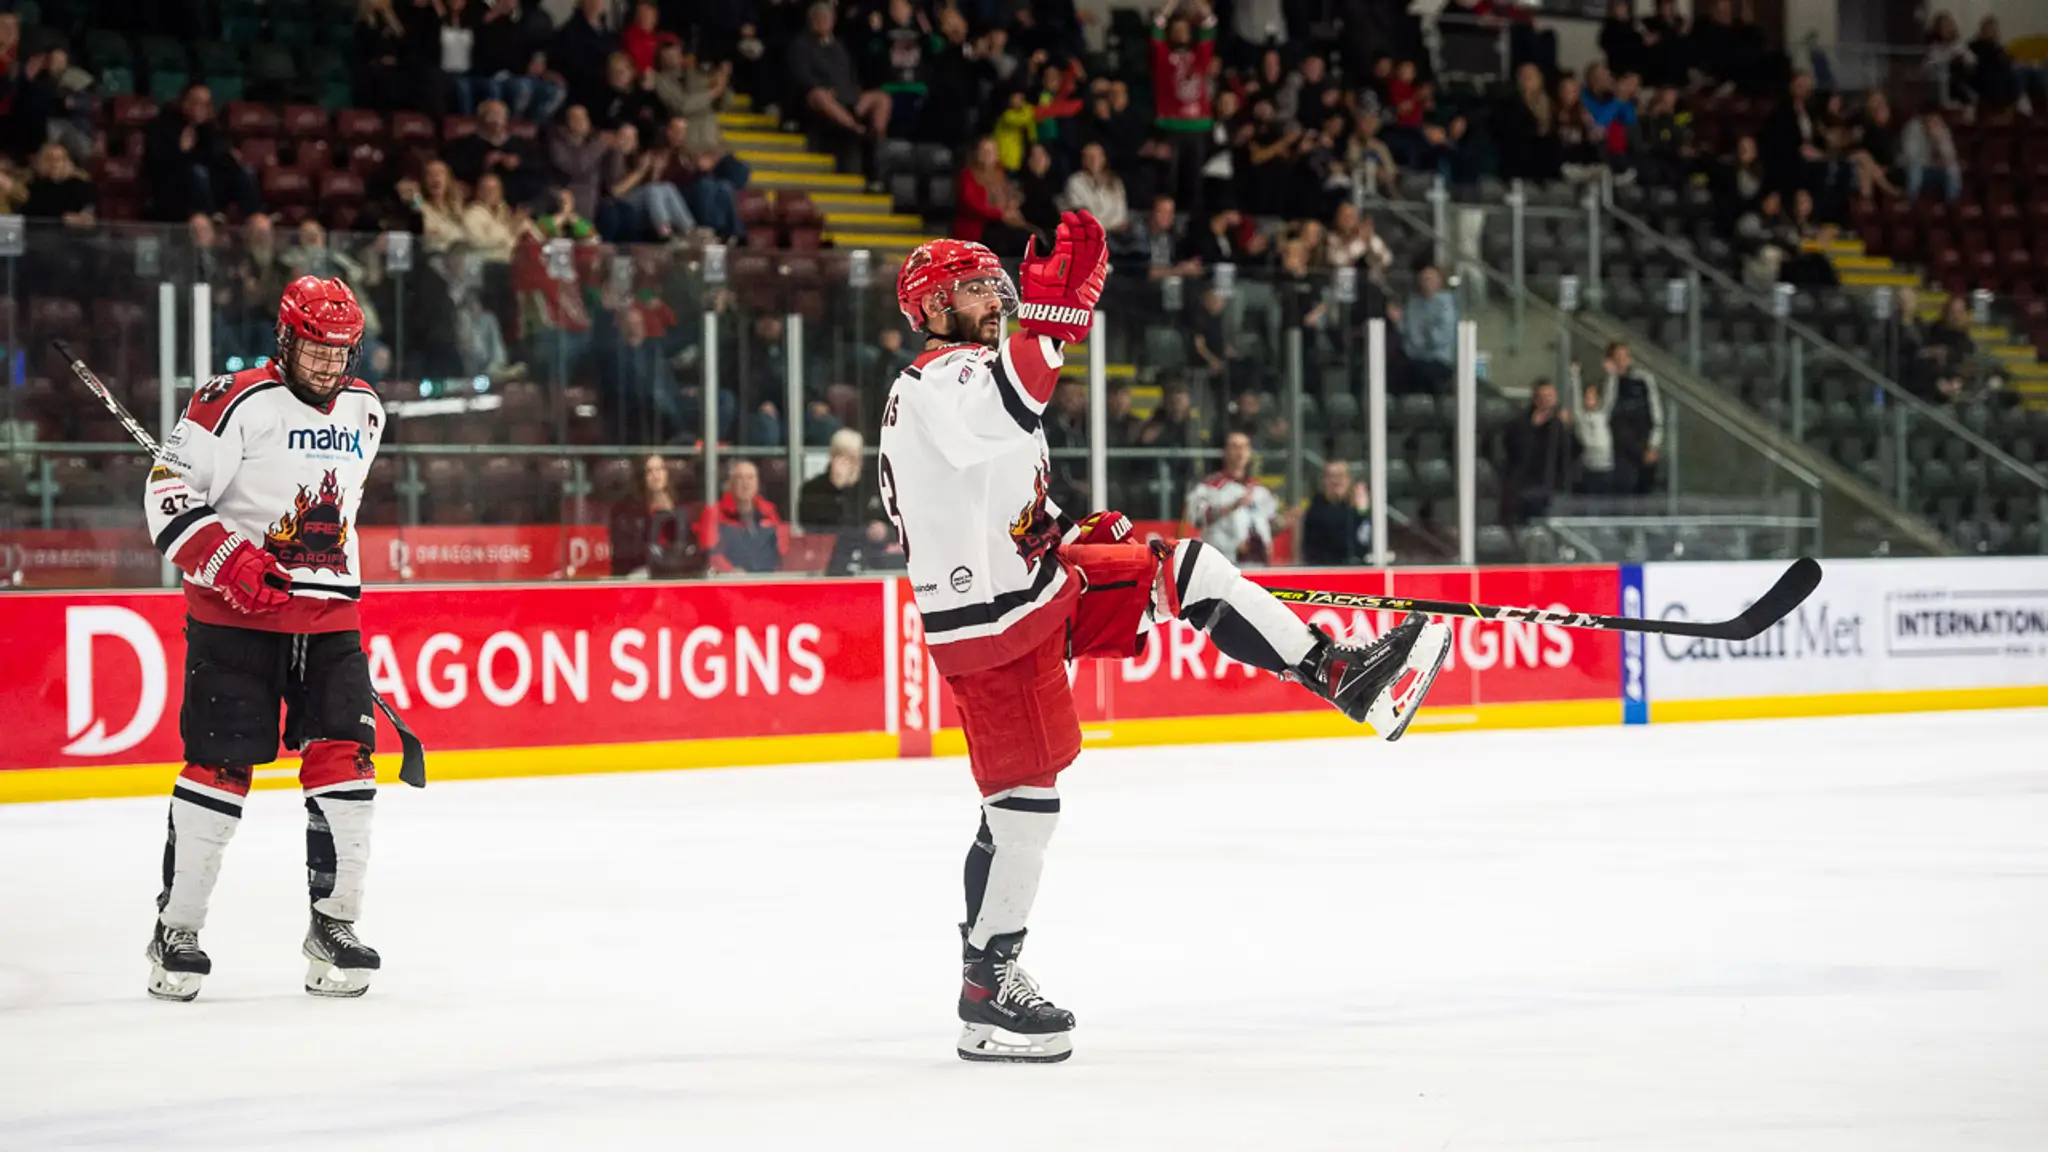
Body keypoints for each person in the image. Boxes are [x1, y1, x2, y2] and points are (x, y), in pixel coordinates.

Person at [875, 220, 1450, 1064]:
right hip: (993, 627)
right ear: (930, 306)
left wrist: (1067, 529)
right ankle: (988, 990)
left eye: (1000, 286)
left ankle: (1344, 673)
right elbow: (1005, 409)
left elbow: (992, 495)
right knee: (1023, 812)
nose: (994, 297)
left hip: (1031, 591)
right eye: (975, 287)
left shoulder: (962, 375)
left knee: (1185, 570)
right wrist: (1052, 319)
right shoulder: (941, 376)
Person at [139, 277, 390, 1003]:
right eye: (314, 347)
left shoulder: (368, 409)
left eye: (339, 350)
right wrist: (227, 560)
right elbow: (167, 497)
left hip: (331, 621)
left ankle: (334, 925)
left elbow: (338, 513)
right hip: (234, 621)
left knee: (348, 770)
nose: (327, 363)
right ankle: (176, 930)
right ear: (285, 338)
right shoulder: (229, 400)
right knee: (219, 768)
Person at [798, 428, 896, 575]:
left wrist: (885, 531)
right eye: (846, 457)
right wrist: (838, 489)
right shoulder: (814, 488)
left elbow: (894, 521)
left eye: (856, 456)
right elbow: (811, 524)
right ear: (833, 456)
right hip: (831, 562)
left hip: (872, 560)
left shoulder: (873, 486)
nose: (852, 463)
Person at [697, 459, 786, 573]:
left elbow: (781, 550)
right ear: (730, 483)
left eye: (750, 478)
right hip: (732, 582)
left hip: (767, 580)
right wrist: (732, 572)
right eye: (740, 478)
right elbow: (710, 553)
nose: (746, 483)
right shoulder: (713, 513)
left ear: (757, 483)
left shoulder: (768, 511)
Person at [1297, 459, 1371, 565]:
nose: (1336, 481)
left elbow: (1365, 541)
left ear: (1349, 479)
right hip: (1325, 570)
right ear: (1323, 480)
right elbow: (1338, 540)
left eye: (1341, 476)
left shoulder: (1357, 508)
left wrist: (1362, 511)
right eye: (1331, 476)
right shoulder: (1316, 509)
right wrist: (1358, 512)